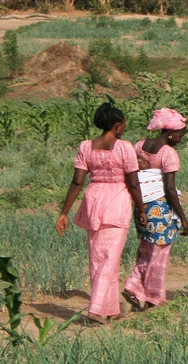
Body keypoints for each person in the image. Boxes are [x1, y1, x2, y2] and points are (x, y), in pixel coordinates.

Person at [56, 102, 147, 324]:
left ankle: (111, 308)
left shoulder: (86, 146)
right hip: (117, 203)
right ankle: (96, 309)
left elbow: (77, 182)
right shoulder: (124, 147)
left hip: (93, 202)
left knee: (98, 258)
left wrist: (64, 212)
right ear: (117, 126)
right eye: (123, 125)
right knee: (109, 259)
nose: (124, 129)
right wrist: (142, 209)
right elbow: (133, 184)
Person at [121, 108, 188, 312]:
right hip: (159, 207)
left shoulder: (140, 145)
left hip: (141, 205)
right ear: (169, 132)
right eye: (179, 134)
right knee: (159, 253)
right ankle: (147, 294)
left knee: (146, 248)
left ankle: (138, 288)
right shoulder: (168, 153)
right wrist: (182, 218)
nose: (180, 138)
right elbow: (169, 189)